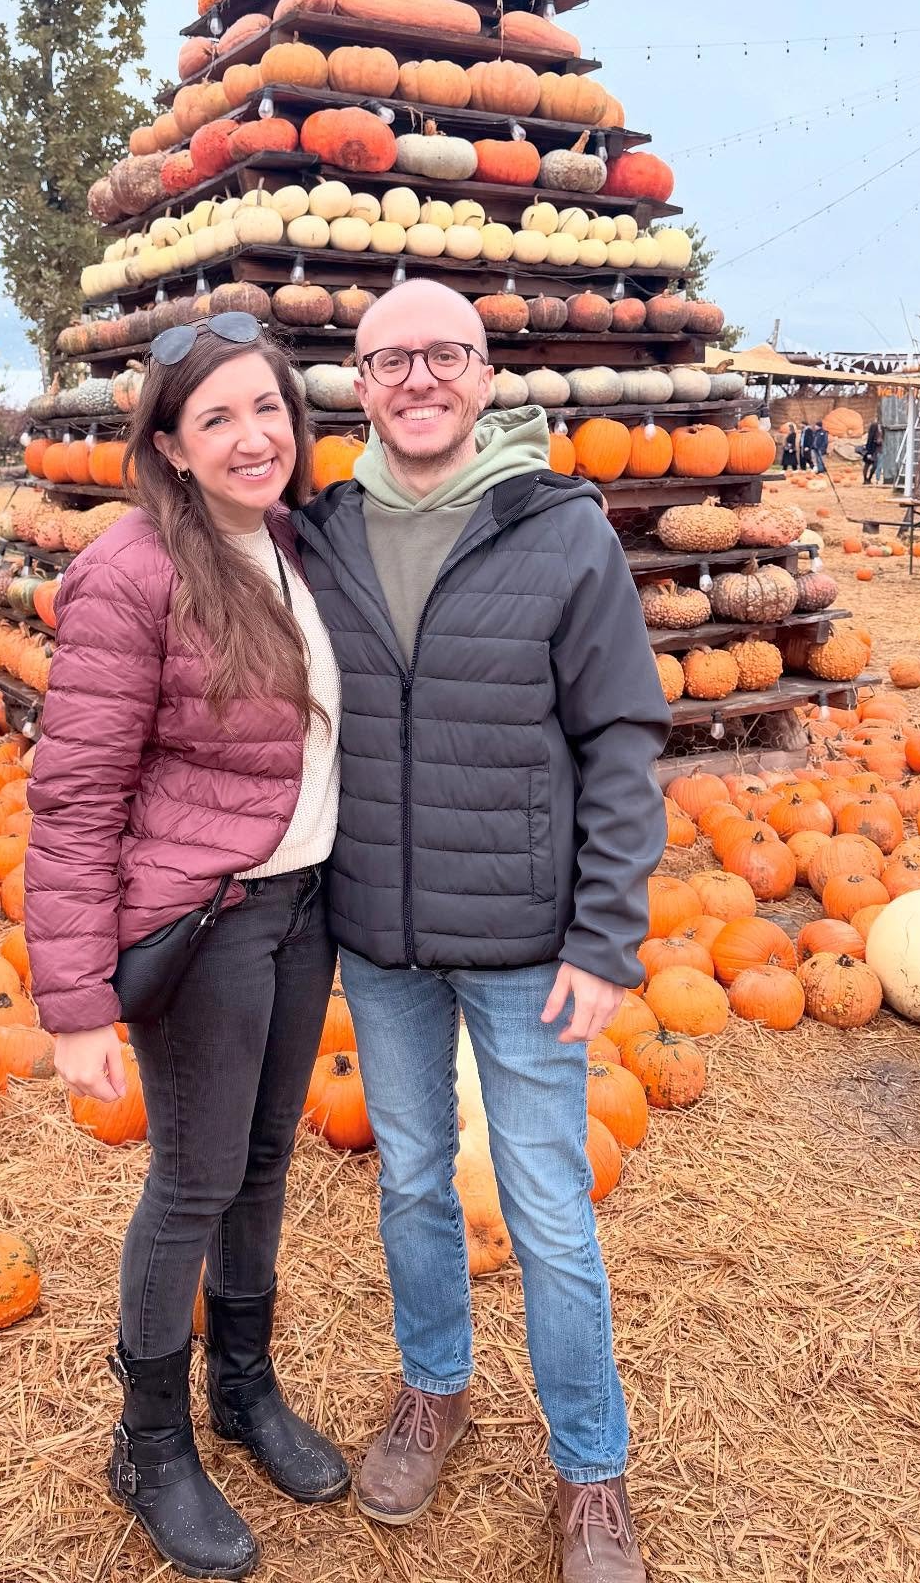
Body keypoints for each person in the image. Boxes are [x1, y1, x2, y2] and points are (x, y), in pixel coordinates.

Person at [295, 280, 671, 1582]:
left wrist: (605, 933)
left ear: (485, 372)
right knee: (409, 1183)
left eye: (443, 354)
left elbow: (622, 739)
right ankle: (435, 1390)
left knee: (550, 1209)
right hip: (380, 940)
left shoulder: (562, 534)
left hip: (524, 940)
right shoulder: (321, 534)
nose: (417, 379)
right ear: (357, 380)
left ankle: (590, 1471)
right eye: (389, 357)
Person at [25, 313, 348, 1582]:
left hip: (302, 904)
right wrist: (74, 1002)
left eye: (265, 409)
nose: (250, 435)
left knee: (265, 1159)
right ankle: (149, 1442)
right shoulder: (132, 569)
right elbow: (77, 793)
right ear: (169, 443)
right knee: (194, 1180)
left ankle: (244, 1387)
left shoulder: (294, 546)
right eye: (215, 418)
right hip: (203, 919)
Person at [862, 419, 883, 485]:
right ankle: (865, 479)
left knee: (875, 465)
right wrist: (869, 452)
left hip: (877, 450)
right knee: (867, 464)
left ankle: (869, 478)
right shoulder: (874, 426)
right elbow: (870, 439)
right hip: (871, 448)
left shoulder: (882, 427)